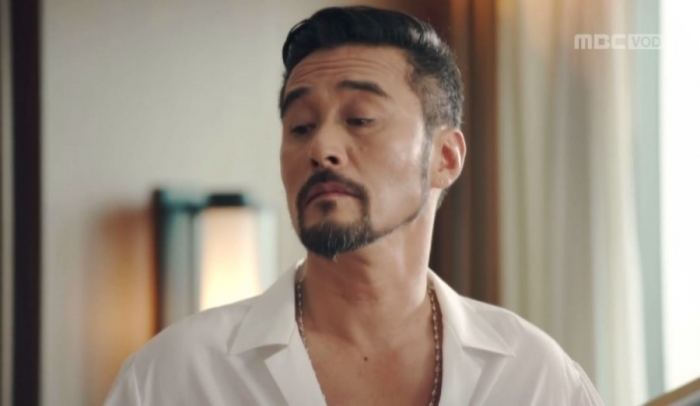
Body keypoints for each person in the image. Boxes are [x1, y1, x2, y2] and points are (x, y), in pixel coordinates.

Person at [105, 6, 603, 405]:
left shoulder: (535, 378)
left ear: (445, 158)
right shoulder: (177, 375)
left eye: (360, 119)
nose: (321, 148)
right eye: (301, 126)